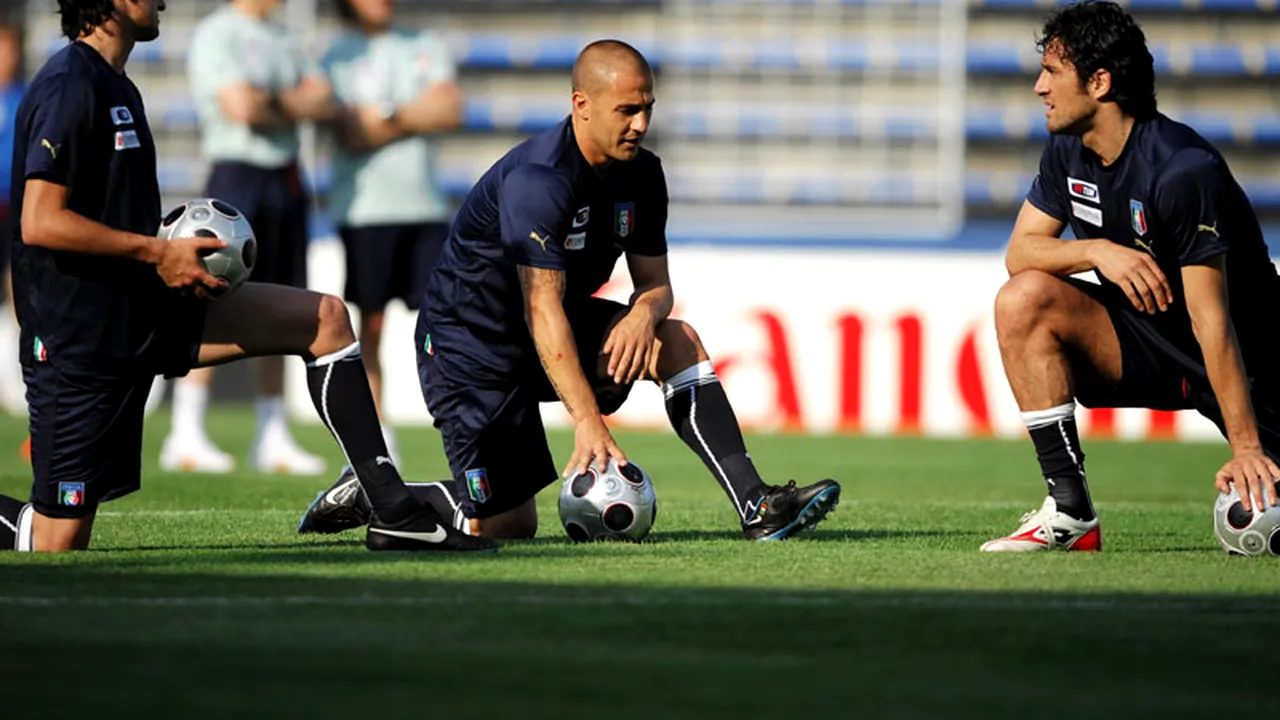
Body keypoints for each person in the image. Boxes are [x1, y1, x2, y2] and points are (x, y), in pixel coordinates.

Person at [0, 0, 494, 554]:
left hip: (144, 306)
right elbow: (41, 222)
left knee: (325, 319)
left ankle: (393, 509)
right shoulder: (70, 84)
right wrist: (157, 251)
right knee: (56, 542)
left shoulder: (121, 87)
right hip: (81, 339)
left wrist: (169, 250)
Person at [299, 40, 841, 542]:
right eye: (627, 111)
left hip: (552, 325)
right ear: (582, 104)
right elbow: (541, 306)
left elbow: (657, 286)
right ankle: (379, 498)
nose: (641, 123)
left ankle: (757, 504)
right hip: (471, 344)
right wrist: (588, 422)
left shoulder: (643, 175)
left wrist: (643, 314)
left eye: (647, 107)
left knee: (675, 341)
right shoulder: (540, 179)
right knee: (509, 522)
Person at [982, 1, 1280, 552]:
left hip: (1253, 361)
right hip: (1150, 344)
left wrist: (1245, 447)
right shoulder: (1066, 149)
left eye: (1052, 72)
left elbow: (1212, 320)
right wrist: (1095, 251)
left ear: (1099, 82)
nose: (1038, 88)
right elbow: (1020, 252)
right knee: (1022, 299)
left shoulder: (1182, 171)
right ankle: (1070, 512)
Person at [159, 0, 333, 475]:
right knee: (209, 297)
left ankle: (271, 432)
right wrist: (288, 103)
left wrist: (272, 103)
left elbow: (323, 98)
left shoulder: (287, 37)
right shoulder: (219, 32)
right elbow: (241, 108)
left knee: (283, 298)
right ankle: (186, 429)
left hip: (286, 177)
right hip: (236, 177)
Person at [320, 0, 463, 461]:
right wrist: (411, 114)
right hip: (365, 208)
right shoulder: (335, 55)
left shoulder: (424, 45)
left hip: (423, 203)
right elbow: (347, 131)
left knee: (445, 320)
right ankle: (380, 436)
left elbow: (449, 109)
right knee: (372, 324)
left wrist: (386, 119)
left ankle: (459, 423)